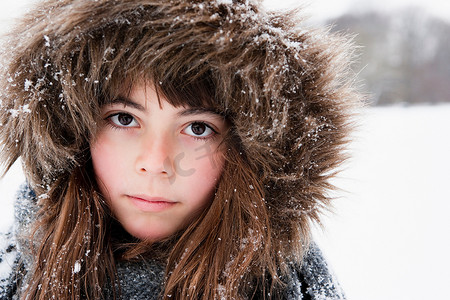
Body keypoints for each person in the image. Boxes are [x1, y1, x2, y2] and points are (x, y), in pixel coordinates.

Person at [0, 0, 360, 299]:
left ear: (249, 153)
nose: (156, 163)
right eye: (124, 119)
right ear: (72, 129)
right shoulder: (12, 269)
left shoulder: (292, 283)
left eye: (197, 128)